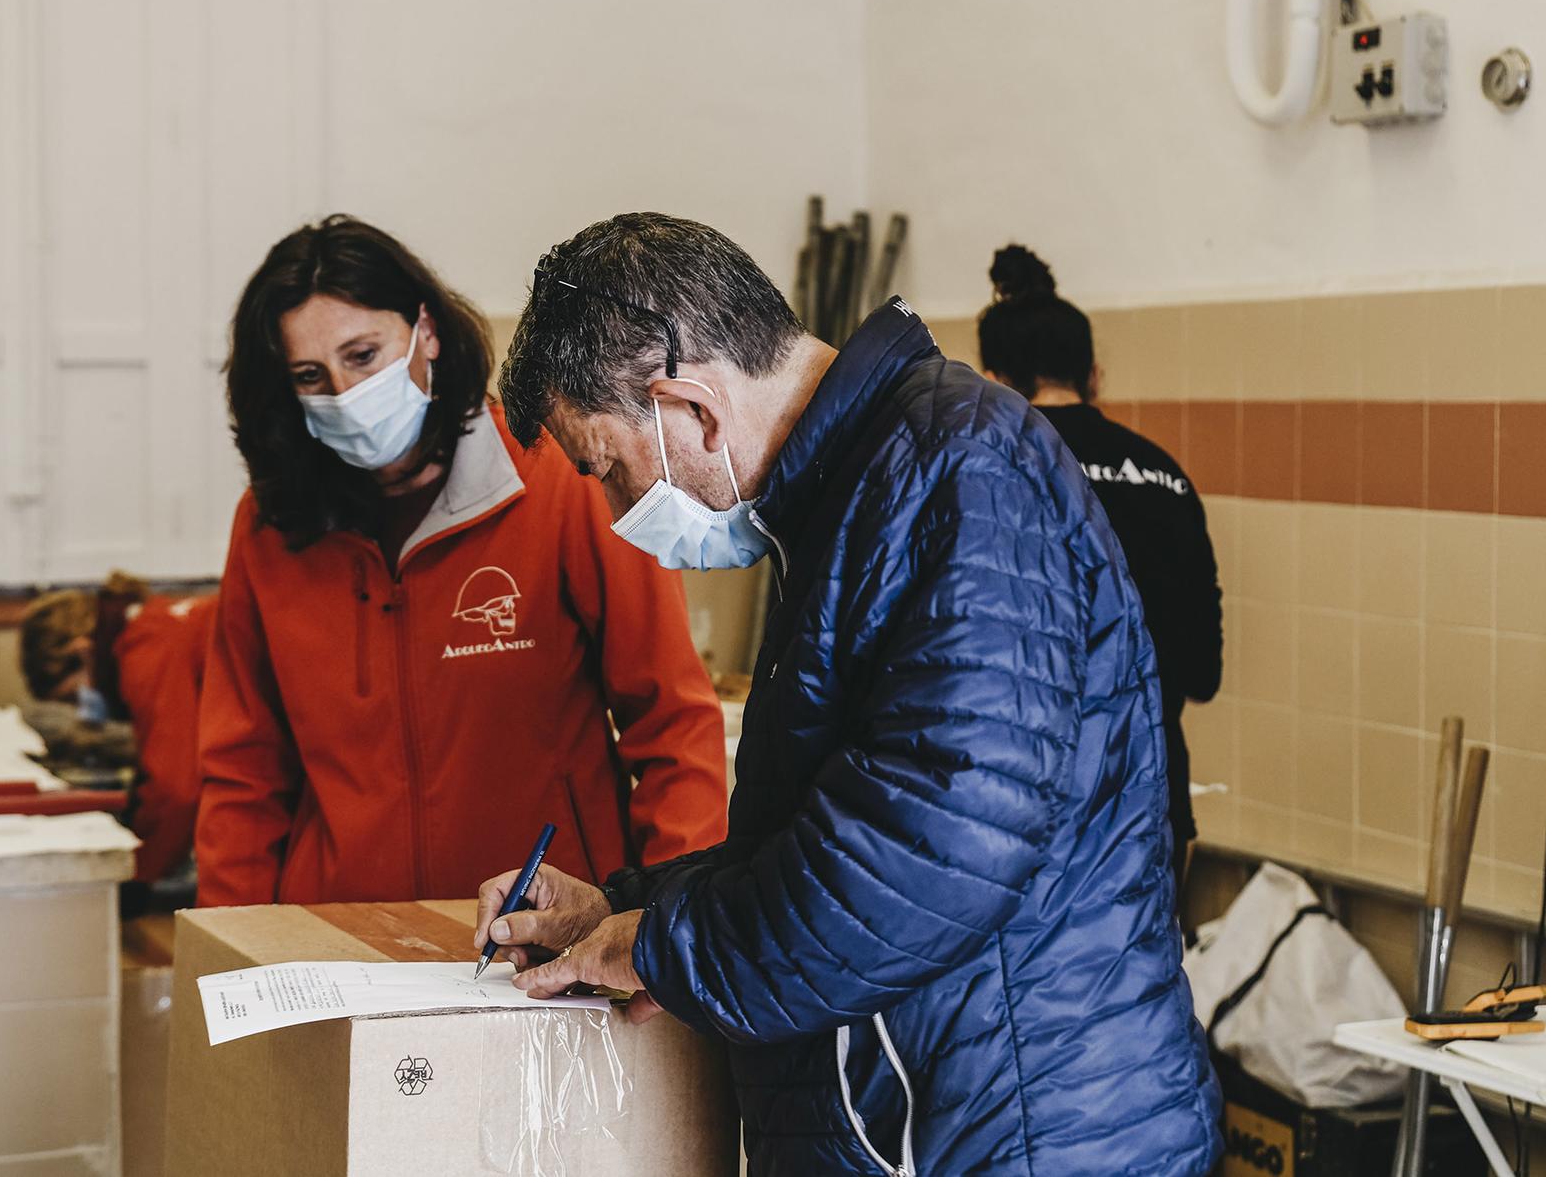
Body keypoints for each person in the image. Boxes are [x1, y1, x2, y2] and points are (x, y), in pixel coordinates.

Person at [475, 213, 1220, 1175]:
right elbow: (827, 834)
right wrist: (624, 908)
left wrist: (665, 950)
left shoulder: (962, 471)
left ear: (690, 407)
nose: (621, 518)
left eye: (613, 472)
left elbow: (932, 856)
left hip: (1024, 1140)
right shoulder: (857, 495)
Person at [196, 215, 729, 908]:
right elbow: (244, 771)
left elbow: (672, 723)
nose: (345, 395)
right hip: (342, 939)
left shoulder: (558, 481)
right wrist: (233, 952)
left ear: (427, 332)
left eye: (362, 355)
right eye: (310, 375)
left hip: (541, 939)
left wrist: (668, 926)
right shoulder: (272, 526)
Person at [977, 243, 1223, 894]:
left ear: (994, 380)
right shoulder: (1165, 474)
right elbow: (1204, 670)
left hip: (1031, 819)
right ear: (1095, 374)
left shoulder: (991, 471)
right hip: (1157, 807)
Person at [19, 571, 217, 888]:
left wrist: (137, 875)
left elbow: (176, 790)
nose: (83, 710)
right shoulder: (154, 623)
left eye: (73, 696)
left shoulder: (146, 651)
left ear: (82, 651)